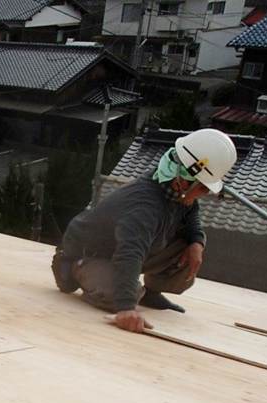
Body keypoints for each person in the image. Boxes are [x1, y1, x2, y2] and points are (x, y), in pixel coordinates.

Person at [52, 128, 238, 333]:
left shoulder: (175, 189)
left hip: (118, 250)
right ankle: (73, 269)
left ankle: (149, 293)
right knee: (121, 294)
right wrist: (126, 308)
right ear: (183, 181)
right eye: (203, 188)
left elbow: (190, 211)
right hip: (90, 254)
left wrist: (196, 241)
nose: (204, 194)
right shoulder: (145, 205)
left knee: (185, 245)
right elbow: (130, 252)